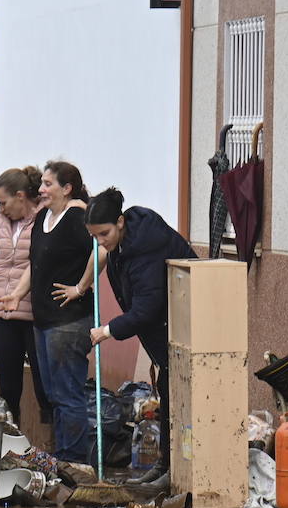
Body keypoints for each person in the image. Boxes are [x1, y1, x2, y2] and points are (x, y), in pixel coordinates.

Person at [74, 187, 197, 486]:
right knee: (169, 399)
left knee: (183, 403)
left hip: (186, 325)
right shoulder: (125, 241)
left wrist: (107, 331)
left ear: (119, 221)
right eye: (95, 237)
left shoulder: (145, 246)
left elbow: (146, 309)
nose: (101, 243)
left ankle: (177, 472)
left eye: (104, 234)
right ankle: (166, 466)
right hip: (168, 329)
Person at [0, 160, 95, 464]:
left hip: (69, 321)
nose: (41, 189)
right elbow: (34, 263)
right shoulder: (42, 219)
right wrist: (17, 294)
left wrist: (80, 287)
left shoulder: (77, 217)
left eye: (48, 184)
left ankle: (74, 461)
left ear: (67, 189)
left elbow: (101, 250)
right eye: (42, 184)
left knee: (68, 395)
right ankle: (62, 456)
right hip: (43, 321)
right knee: (53, 396)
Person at [0, 165, 53, 428]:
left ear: (21, 196)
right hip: (1, 307)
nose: (1, 208)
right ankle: (11, 440)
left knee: (44, 383)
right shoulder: (1, 218)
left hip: (31, 309)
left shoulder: (45, 218)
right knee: (8, 384)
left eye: (3, 202)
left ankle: (50, 443)